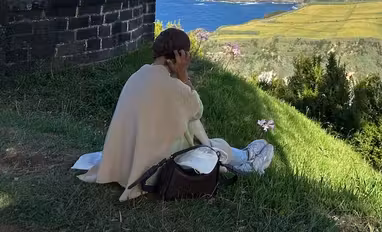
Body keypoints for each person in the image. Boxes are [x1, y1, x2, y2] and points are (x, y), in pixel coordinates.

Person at [78, 29, 272, 201]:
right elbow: (196, 111)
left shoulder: (137, 75)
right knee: (212, 147)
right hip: (153, 172)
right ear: (180, 55)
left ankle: (247, 155)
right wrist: (183, 74)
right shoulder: (173, 87)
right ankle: (247, 158)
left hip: (123, 163)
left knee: (203, 143)